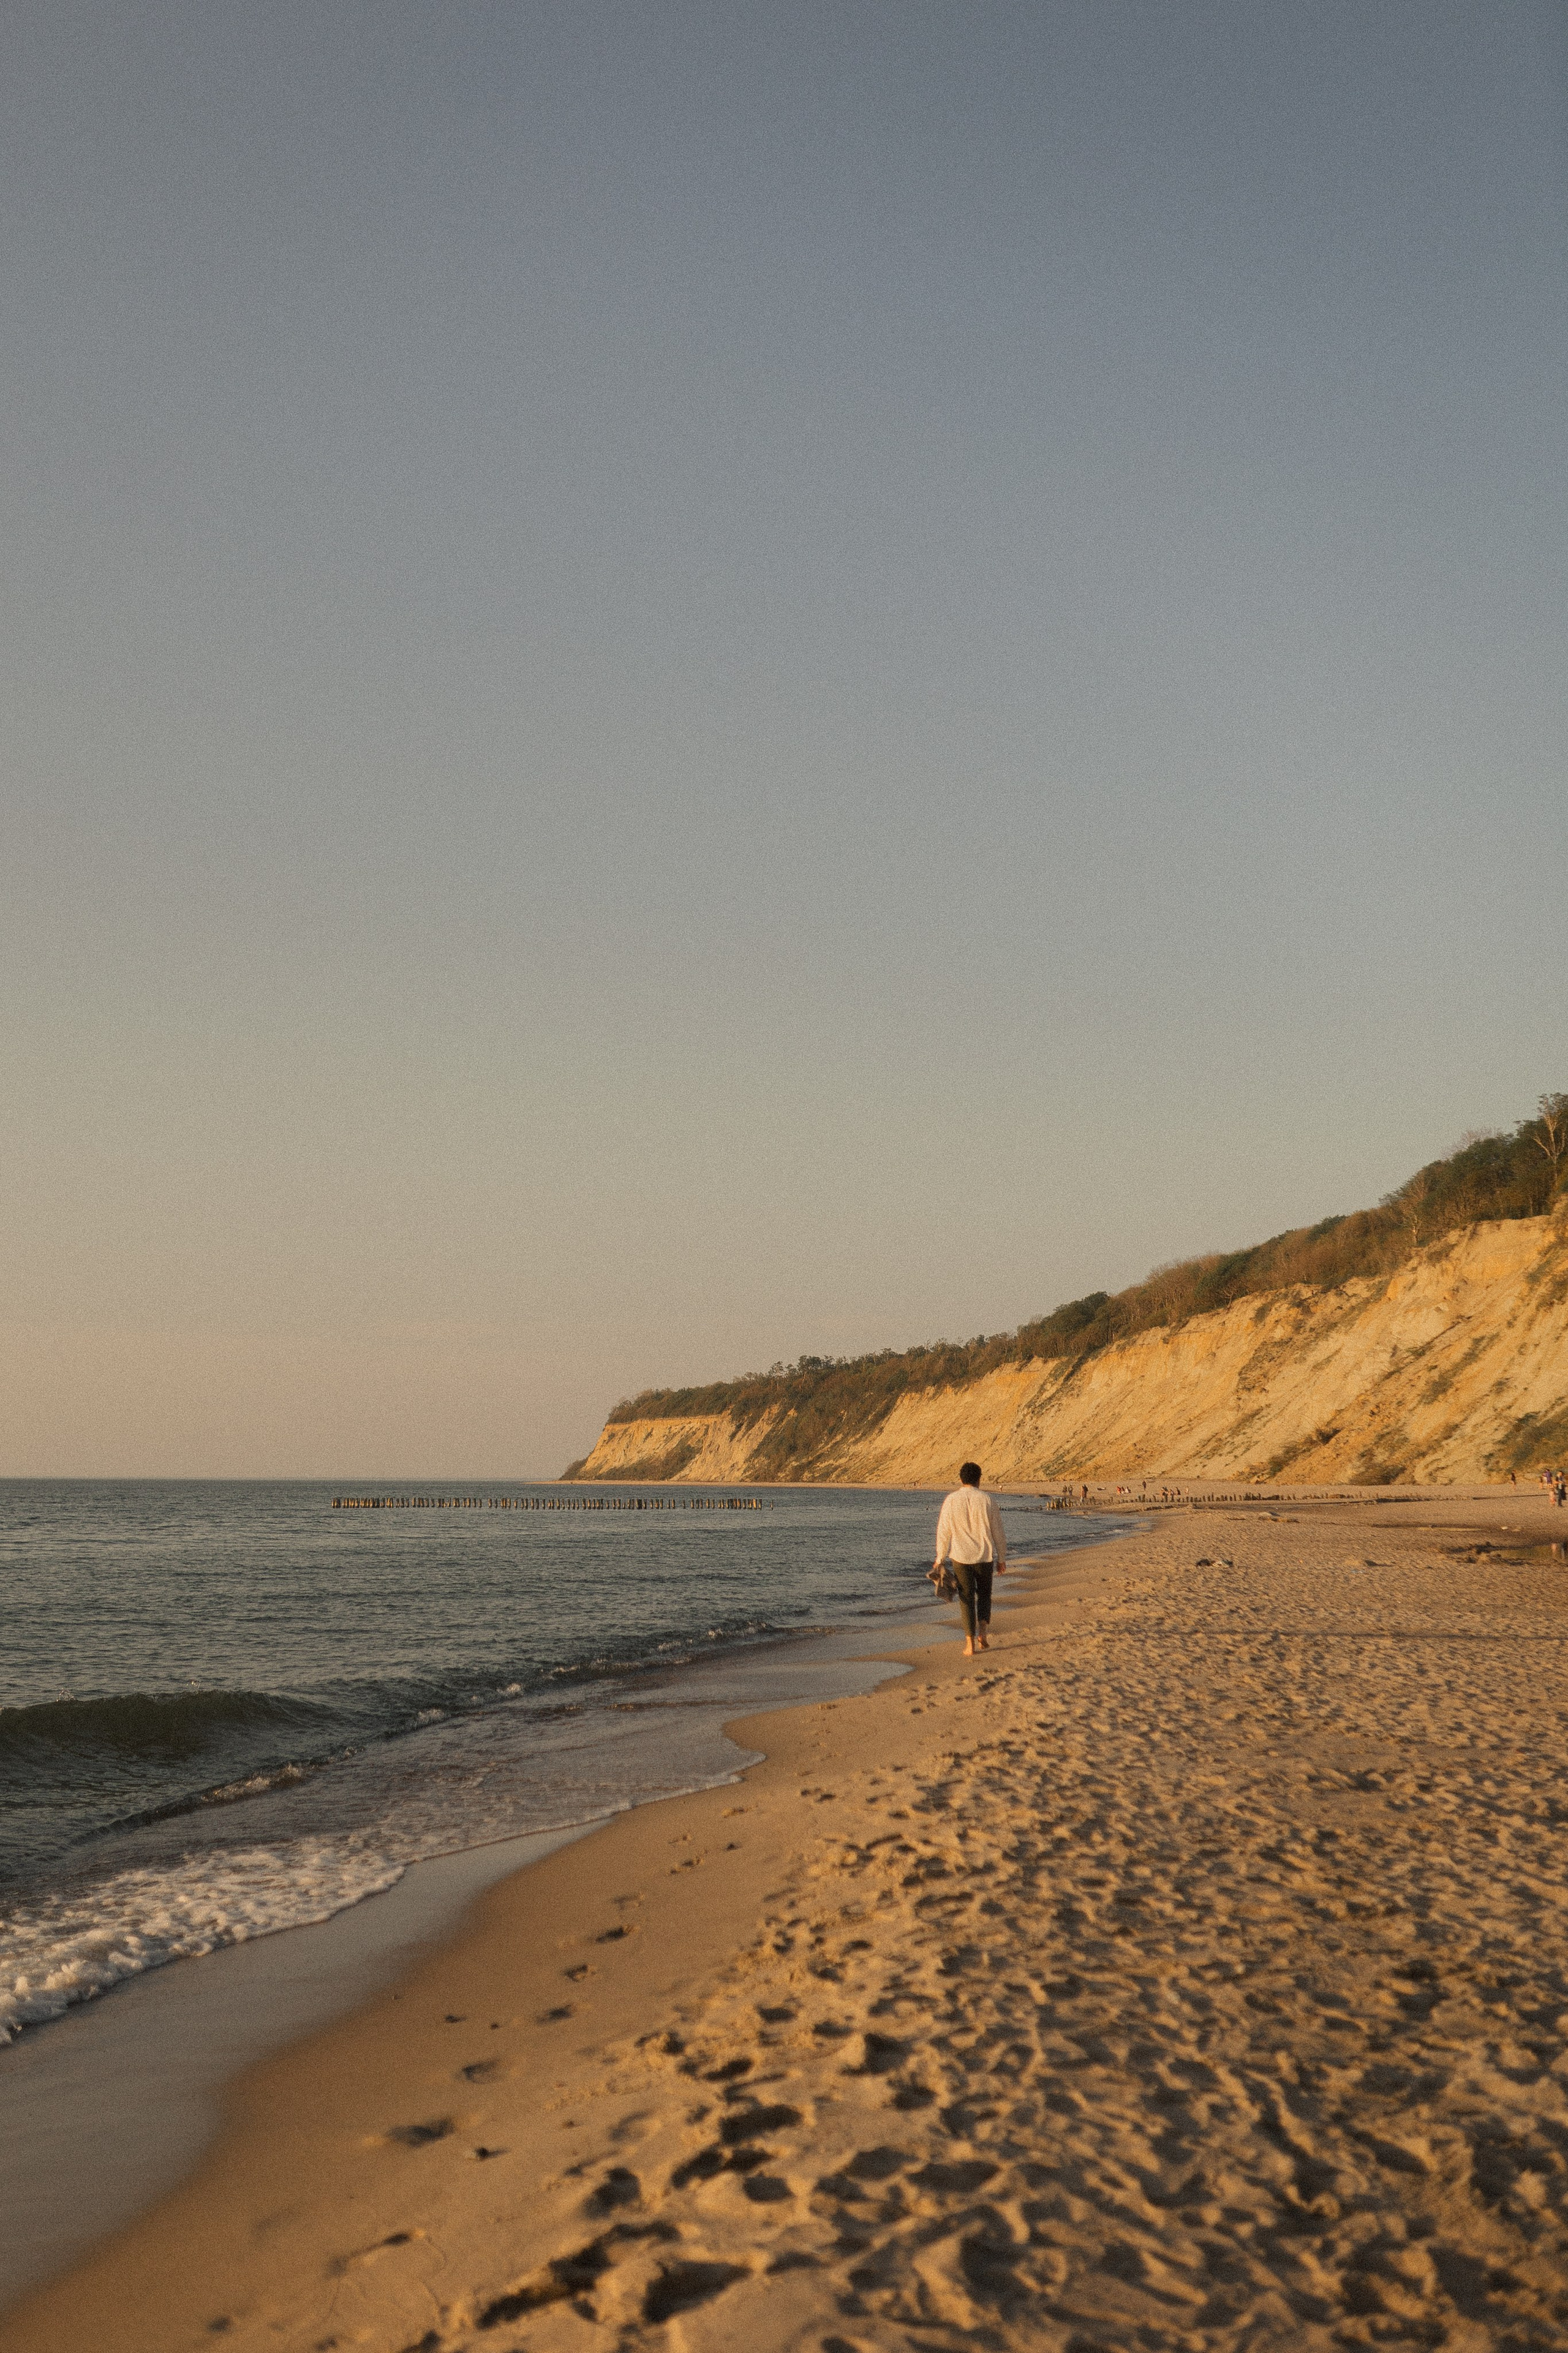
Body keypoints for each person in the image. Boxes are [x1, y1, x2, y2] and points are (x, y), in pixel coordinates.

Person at [932, 1462, 1008, 1658]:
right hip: (984, 1555)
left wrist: (940, 1557)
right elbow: (998, 1531)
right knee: (984, 1595)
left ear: (961, 1479)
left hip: (961, 1556)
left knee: (966, 1599)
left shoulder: (951, 1500)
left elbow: (944, 1532)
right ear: (979, 1479)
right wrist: (1002, 1557)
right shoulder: (987, 1499)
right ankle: (982, 1632)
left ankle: (969, 1644)